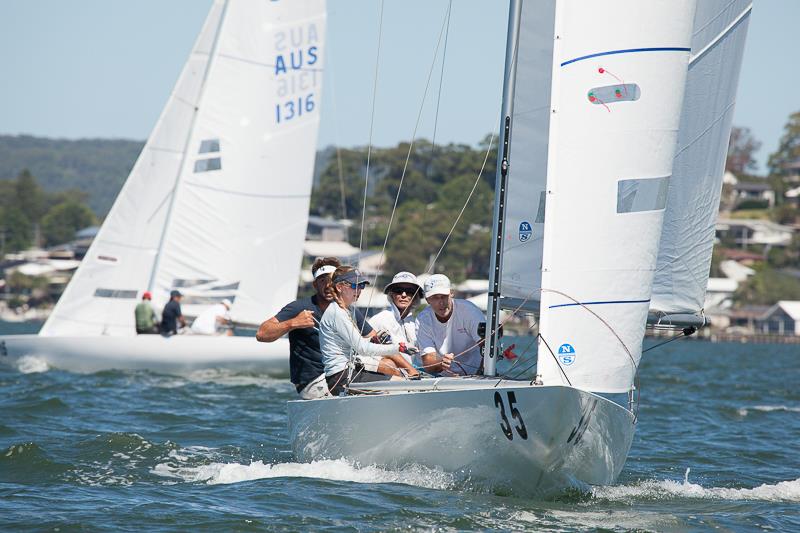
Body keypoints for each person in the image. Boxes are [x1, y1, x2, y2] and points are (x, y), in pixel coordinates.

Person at [256, 257, 376, 400]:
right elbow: (262, 333)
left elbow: (372, 337)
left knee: (391, 376)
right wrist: (293, 323)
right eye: (322, 281)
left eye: (331, 280)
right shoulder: (299, 307)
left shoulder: (349, 310)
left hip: (344, 374)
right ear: (315, 285)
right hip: (313, 382)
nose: (327, 285)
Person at [320, 266, 419, 395]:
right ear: (339, 287)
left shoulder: (350, 310)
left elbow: (357, 344)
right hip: (340, 377)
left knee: (401, 380)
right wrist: (399, 348)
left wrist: (372, 339)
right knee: (403, 385)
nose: (359, 290)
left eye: (361, 286)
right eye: (355, 286)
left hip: (352, 371)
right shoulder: (336, 313)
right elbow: (363, 349)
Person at [415, 274, 484, 376]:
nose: (441, 302)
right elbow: (428, 362)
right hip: (443, 377)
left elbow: (487, 346)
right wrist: (441, 363)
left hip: (476, 374)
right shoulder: (423, 320)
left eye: (444, 296)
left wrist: (480, 374)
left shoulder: (469, 311)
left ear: (451, 293)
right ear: (427, 300)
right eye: (435, 298)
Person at [369, 271, 423, 368]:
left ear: (416, 297)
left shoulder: (415, 323)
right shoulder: (380, 319)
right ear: (392, 295)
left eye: (410, 291)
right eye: (398, 290)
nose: (403, 294)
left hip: (412, 375)